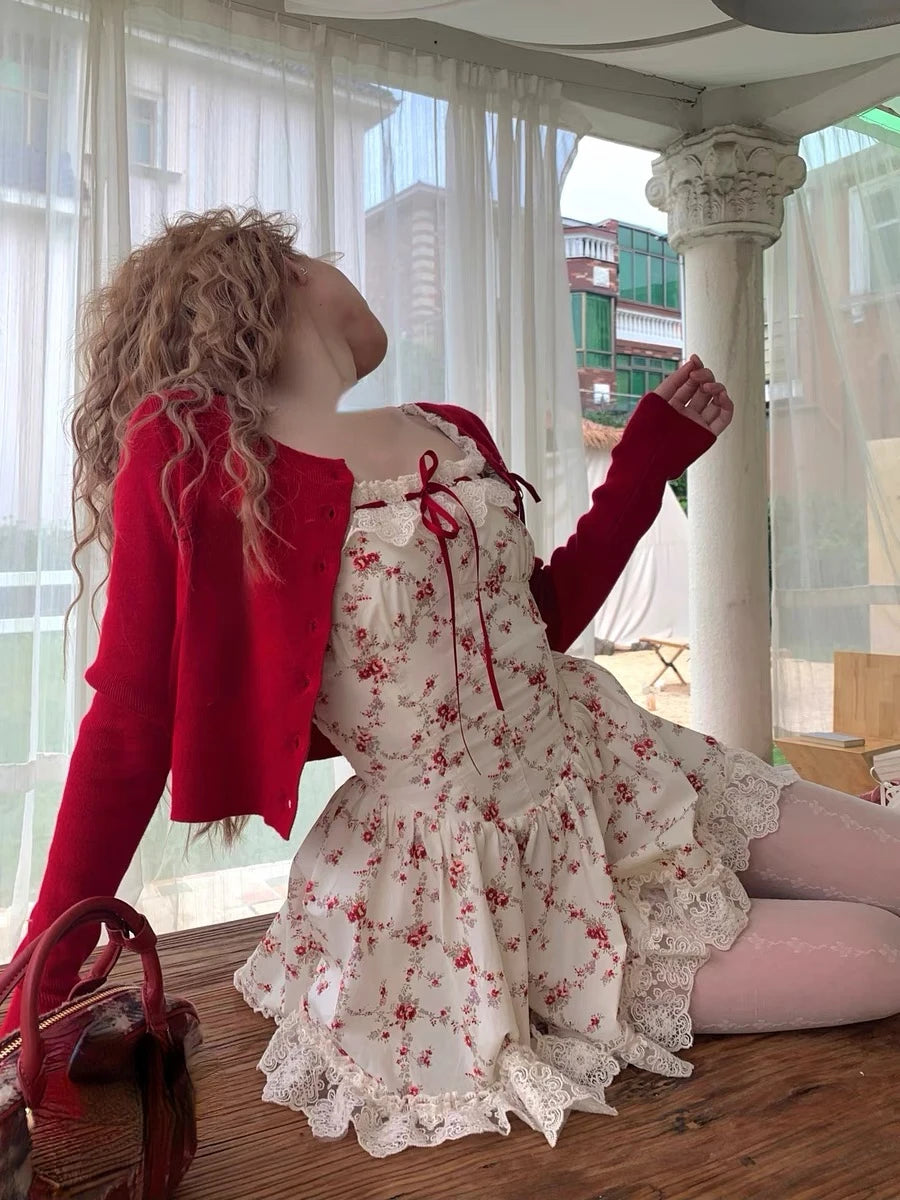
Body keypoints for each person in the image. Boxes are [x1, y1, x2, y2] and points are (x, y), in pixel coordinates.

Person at [2, 208, 899, 1158]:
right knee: (876, 955)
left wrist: (643, 469)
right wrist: (39, 981)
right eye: (319, 258)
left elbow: (538, 626)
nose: (342, 275)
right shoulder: (202, 461)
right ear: (271, 282)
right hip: (473, 880)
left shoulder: (448, 429)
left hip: (622, 766)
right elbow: (131, 722)